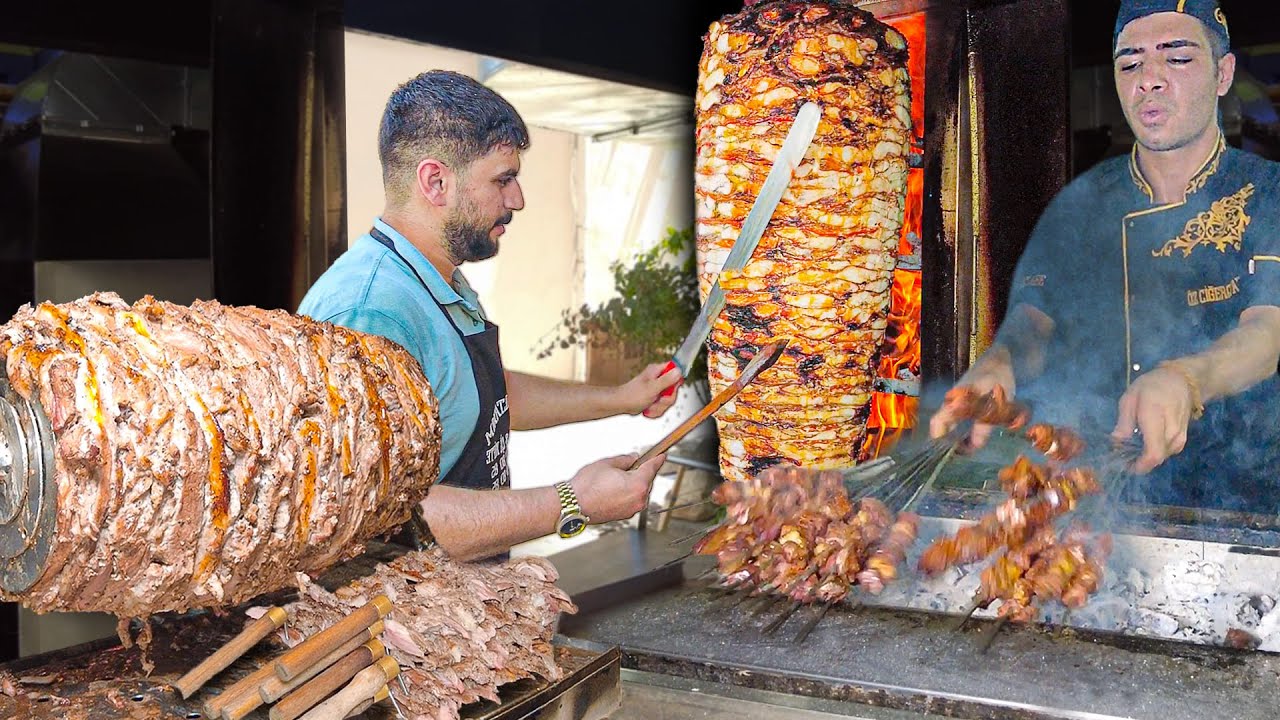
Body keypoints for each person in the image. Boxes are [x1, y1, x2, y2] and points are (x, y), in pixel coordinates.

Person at [297, 70, 682, 561]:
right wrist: (572, 502)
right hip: (395, 625)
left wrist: (621, 398)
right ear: (435, 181)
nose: (517, 199)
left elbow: (483, 394)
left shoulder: (437, 277)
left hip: (458, 600)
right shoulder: (369, 313)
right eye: (503, 179)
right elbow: (382, 521)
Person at [929, 0, 1280, 511]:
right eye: (1131, 62)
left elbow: (1267, 333)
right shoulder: (1080, 204)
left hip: (1243, 497)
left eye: (1177, 58)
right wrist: (998, 366)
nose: (1150, 79)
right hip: (1105, 499)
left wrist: (1187, 378)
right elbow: (1034, 322)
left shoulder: (1268, 191)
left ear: (1223, 73)